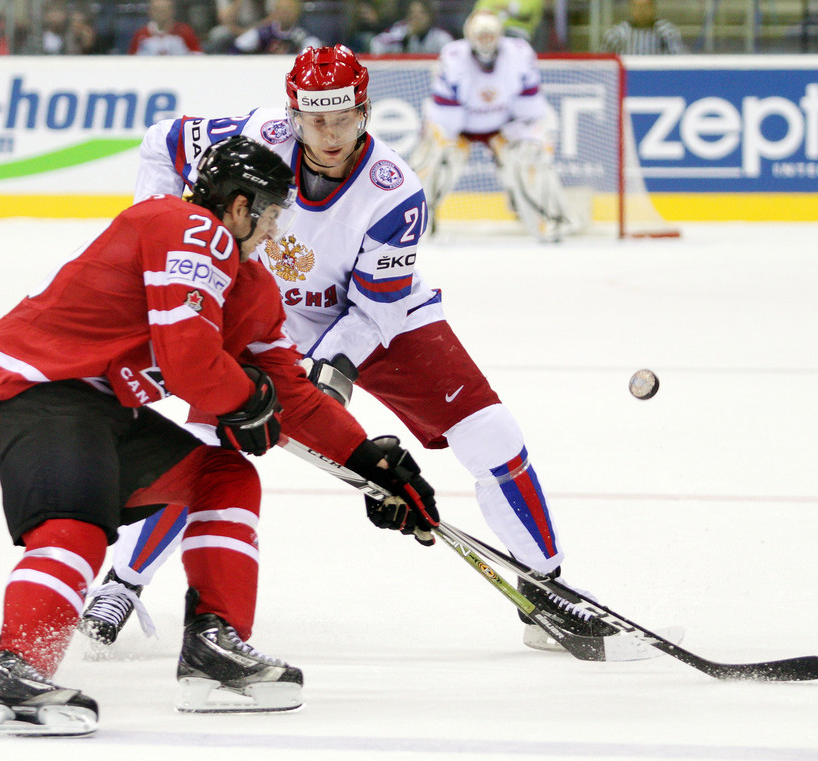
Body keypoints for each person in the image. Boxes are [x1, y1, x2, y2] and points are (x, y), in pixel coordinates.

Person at [80, 44, 617, 657]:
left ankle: (546, 588)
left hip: (374, 317)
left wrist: (326, 371)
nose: (329, 134)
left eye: (343, 117)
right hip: (266, 312)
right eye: (315, 118)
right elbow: (160, 143)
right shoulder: (257, 135)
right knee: (206, 448)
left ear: (365, 111)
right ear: (294, 113)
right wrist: (163, 244)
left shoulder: (394, 192)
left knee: (492, 433)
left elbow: (371, 310)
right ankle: (120, 586)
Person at [0, 135, 439, 737]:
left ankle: (215, 650)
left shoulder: (252, 285)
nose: (274, 228)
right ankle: (14, 673)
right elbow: (189, 364)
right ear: (239, 207)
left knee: (224, 475)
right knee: (73, 523)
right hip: (37, 385)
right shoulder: (188, 227)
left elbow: (289, 390)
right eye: (269, 214)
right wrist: (249, 399)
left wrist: (369, 461)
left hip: (102, 405)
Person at [410, 10, 578, 242]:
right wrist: (442, 143)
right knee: (434, 159)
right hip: (460, 129)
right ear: (469, 35)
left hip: (503, 126)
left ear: (500, 34)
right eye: (480, 35)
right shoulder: (453, 56)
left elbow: (529, 111)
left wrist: (521, 140)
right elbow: (445, 118)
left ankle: (551, 221)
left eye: (490, 35)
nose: (486, 41)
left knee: (529, 158)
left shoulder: (519, 54)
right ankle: (419, 226)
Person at [231, 0, 320, 54]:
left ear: (297, 13)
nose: (284, 14)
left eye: (288, 10)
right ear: (275, 11)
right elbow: (237, 48)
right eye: (281, 10)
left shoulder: (304, 36)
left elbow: (314, 56)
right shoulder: (263, 33)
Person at [599, 0, 685, 55]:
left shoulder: (667, 32)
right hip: (627, 82)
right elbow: (603, 64)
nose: (642, 11)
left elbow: (681, 60)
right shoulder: (616, 34)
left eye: (646, 7)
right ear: (630, 8)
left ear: (654, 8)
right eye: (638, 7)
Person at [369, 0, 452, 54]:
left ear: (429, 16)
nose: (416, 17)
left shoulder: (440, 37)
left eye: (421, 13)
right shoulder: (400, 31)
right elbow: (376, 44)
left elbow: (451, 56)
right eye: (412, 13)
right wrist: (405, 39)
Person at [129, 0, 203, 55]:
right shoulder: (141, 34)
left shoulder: (184, 32)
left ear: (172, 11)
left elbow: (199, 58)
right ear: (150, 11)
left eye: (164, 9)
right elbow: (130, 61)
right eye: (157, 10)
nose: (161, 13)